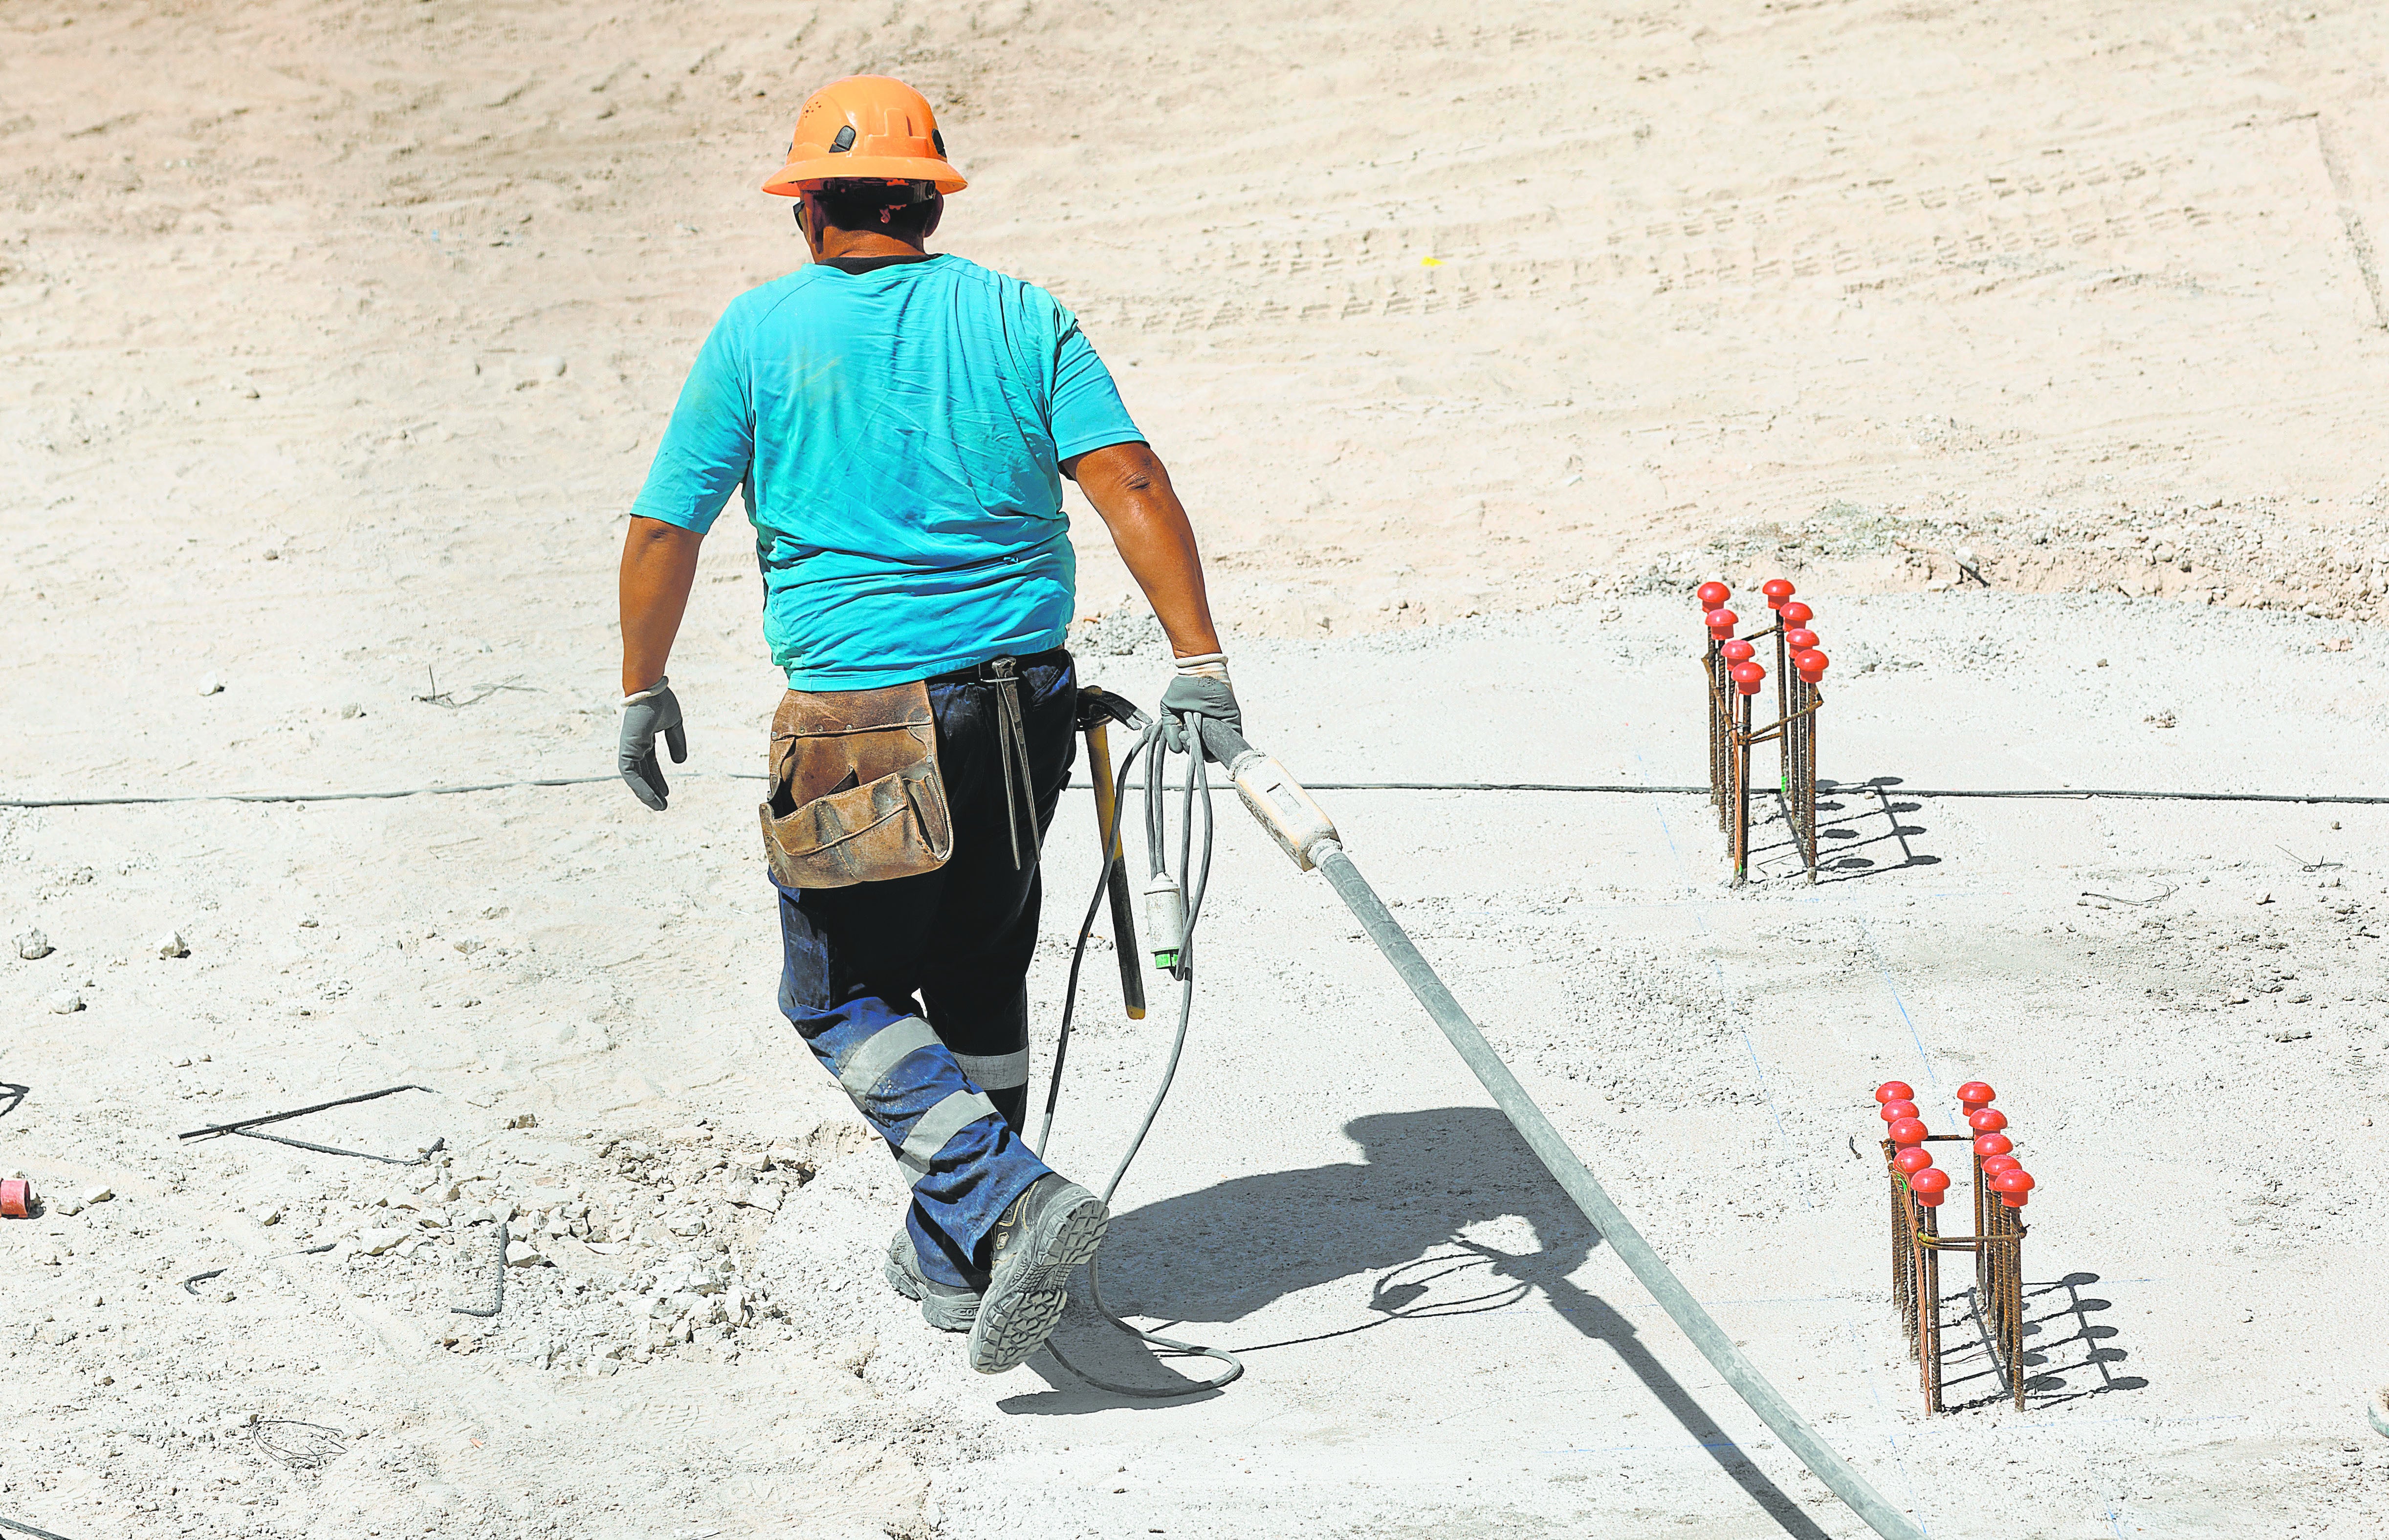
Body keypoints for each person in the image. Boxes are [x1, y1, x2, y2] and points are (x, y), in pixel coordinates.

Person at [612, 75, 1243, 1376]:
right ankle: (960, 1261)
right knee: (974, 969)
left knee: (835, 990)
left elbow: (666, 526)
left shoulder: (758, 334)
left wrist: (643, 681)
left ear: (808, 212)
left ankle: (1008, 1204)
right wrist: (1200, 657)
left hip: (862, 723)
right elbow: (1127, 477)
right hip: (1025, 708)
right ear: (925, 203)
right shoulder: (1019, 314)